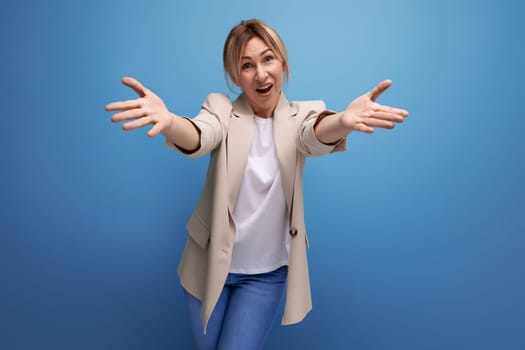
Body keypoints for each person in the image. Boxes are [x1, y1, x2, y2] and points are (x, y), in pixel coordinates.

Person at [105, 19, 408, 350]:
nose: (260, 73)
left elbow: (315, 134)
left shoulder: (303, 114)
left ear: (282, 63)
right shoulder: (220, 109)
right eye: (246, 66)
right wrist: (169, 123)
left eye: (267, 59)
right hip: (207, 265)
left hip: (265, 275)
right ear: (237, 77)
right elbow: (201, 134)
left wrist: (343, 122)